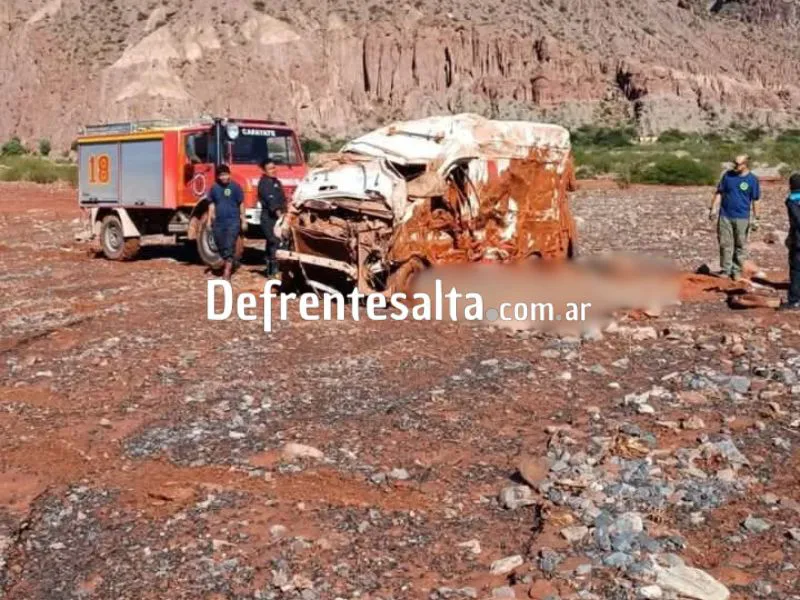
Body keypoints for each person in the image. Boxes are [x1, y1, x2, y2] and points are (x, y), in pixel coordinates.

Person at [708, 154, 761, 281]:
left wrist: (757, 218)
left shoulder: (752, 179)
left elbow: (756, 200)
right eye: (735, 164)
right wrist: (713, 209)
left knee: (740, 245)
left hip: (742, 217)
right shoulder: (727, 176)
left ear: (745, 164)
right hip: (725, 215)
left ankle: (736, 271)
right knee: (725, 243)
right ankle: (726, 270)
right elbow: (720, 193)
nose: (736, 166)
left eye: (738, 164)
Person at [208, 164, 245, 281]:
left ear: (229, 174)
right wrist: (210, 219)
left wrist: (243, 219)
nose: (224, 177)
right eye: (221, 175)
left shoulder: (235, 187)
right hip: (219, 222)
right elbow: (211, 204)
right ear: (218, 177)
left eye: (225, 174)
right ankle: (228, 262)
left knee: (229, 244)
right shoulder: (214, 188)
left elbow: (241, 203)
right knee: (220, 244)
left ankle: (227, 272)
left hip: (233, 221)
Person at [257, 160, 286, 278]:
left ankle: (270, 270)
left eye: (274, 167)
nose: (273, 170)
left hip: (279, 216)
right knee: (275, 241)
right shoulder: (264, 183)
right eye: (270, 169)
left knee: (272, 243)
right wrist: (281, 217)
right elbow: (272, 202)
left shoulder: (277, 182)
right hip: (269, 218)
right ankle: (274, 272)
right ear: (264, 171)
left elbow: (283, 199)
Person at [780, 172, 800, 310]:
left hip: (798, 241)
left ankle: (794, 301)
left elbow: (797, 220)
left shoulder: (792, 200)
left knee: (796, 270)